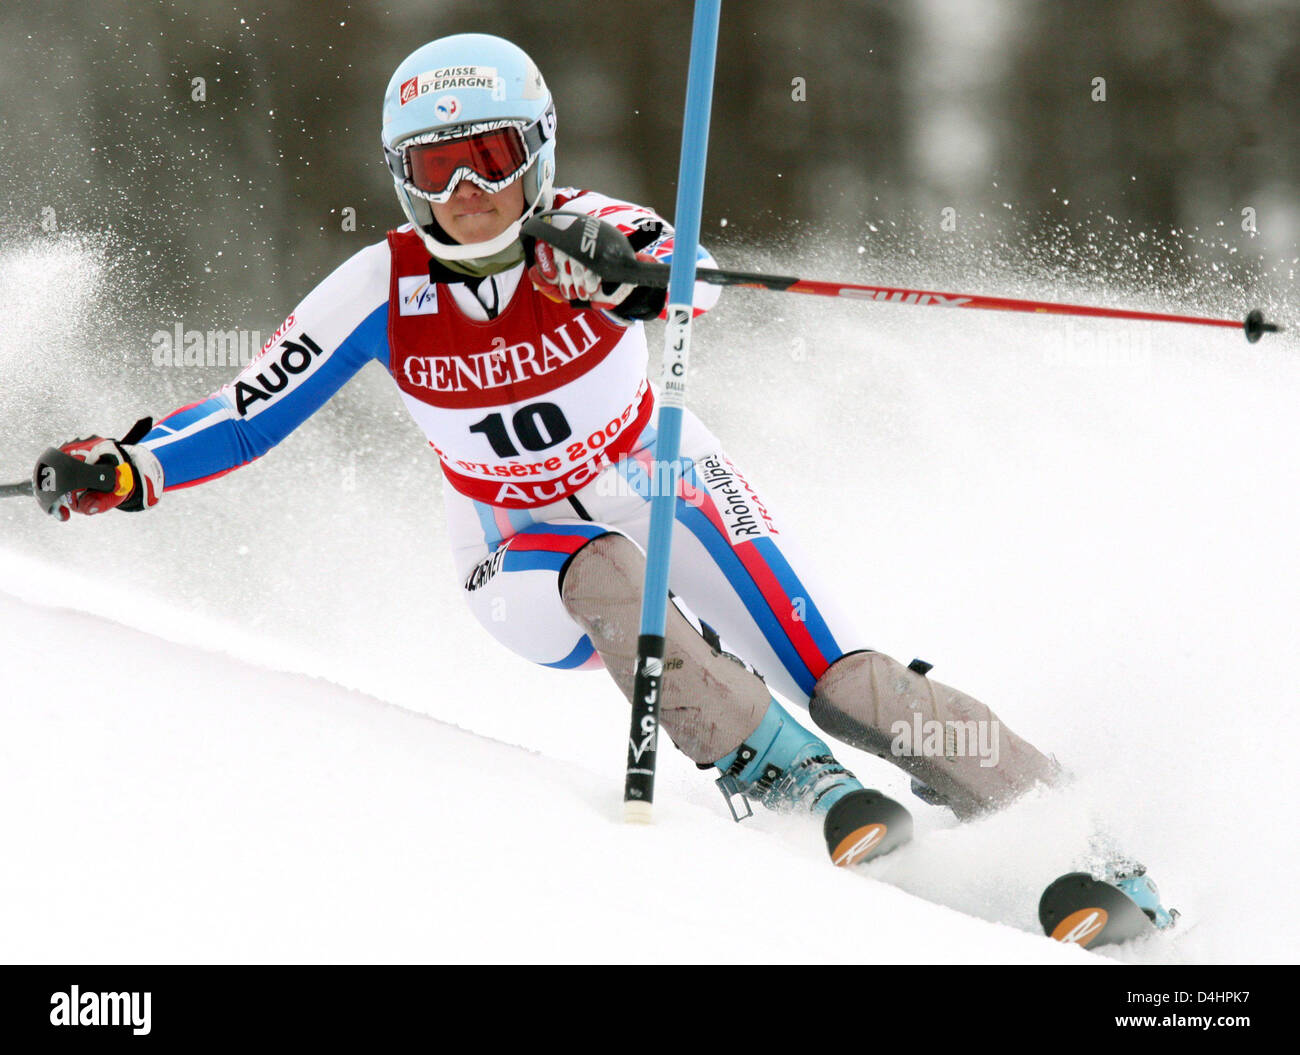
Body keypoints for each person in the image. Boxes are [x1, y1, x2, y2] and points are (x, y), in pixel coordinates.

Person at [37, 33, 1064, 870]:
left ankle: (1064, 819)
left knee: (844, 681)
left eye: (489, 155)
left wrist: (628, 280)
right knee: (606, 571)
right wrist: (131, 467)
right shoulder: (379, 287)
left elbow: (691, 267)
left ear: (536, 153)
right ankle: (797, 782)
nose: (467, 188)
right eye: (435, 166)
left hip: (659, 474)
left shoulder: (582, 231)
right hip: (512, 540)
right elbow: (251, 407)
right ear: (404, 181)